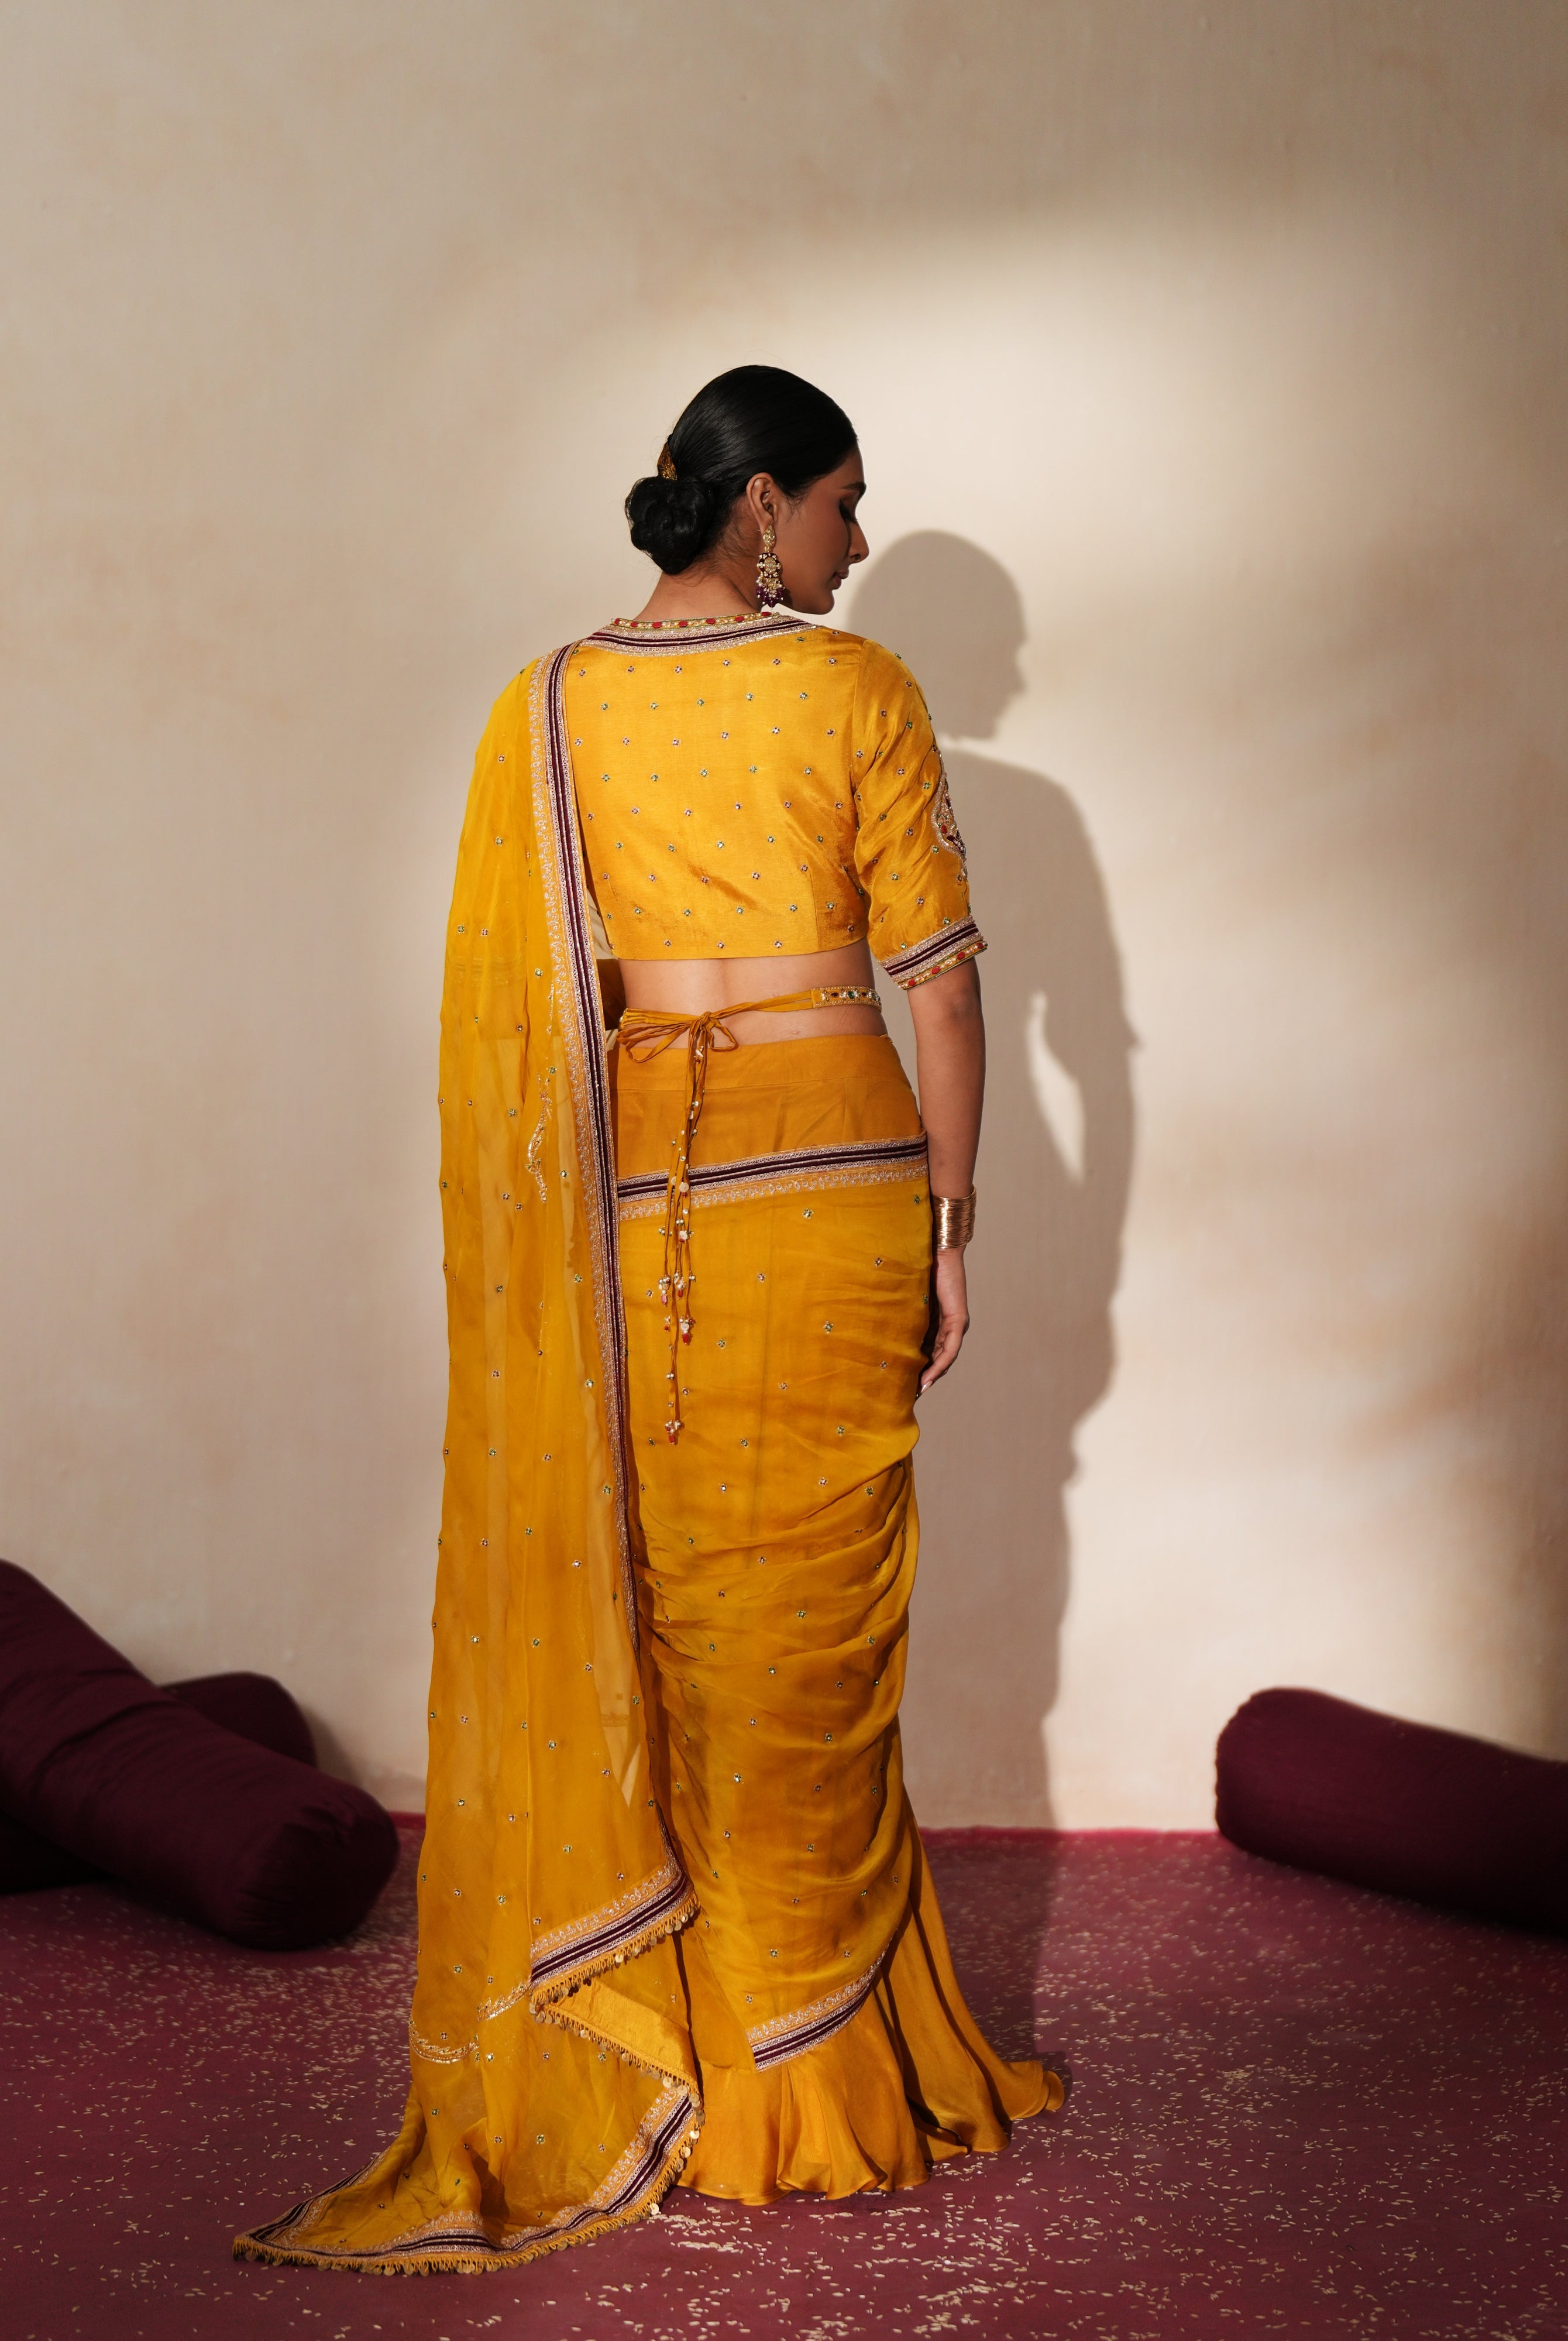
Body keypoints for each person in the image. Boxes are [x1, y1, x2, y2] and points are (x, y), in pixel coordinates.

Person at [235, 365, 1068, 2277]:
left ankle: (689, 2056)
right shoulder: (854, 695)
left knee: (685, 1620)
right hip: (840, 1189)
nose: (857, 549)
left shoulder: (552, 708)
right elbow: (940, 993)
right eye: (846, 508)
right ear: (759, 503)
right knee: (812, 1630)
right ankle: (822, 2064)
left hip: (638, 1216)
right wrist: (957, 1221)